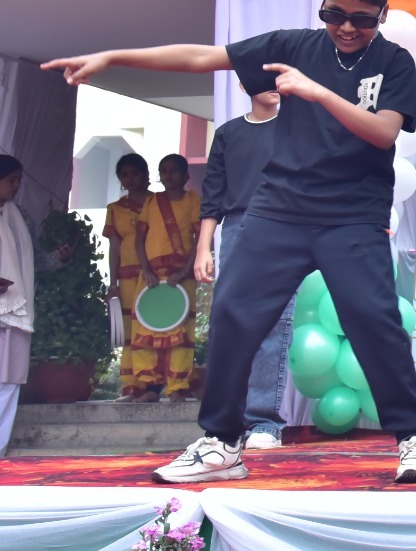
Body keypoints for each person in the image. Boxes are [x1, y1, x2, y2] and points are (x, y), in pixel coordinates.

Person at [44, 0, 416, 484]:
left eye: (362, 19)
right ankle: (221, 442)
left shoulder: (394, 64)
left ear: (382, 15)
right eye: (335, 14)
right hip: (280, 209)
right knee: (232, 313)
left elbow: (385, 133)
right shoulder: (295, 45)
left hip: (351, 214)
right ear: (322, 6)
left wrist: (317, 93)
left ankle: (413, 439)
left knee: (374, 321)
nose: (346, 27)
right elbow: (203, 57)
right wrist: (114, 57)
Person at [196, 86, 293, 448]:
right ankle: (226, 424)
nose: (272, 84)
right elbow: (213, 194)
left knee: (275, 323)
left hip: (285, 226)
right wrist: (203, 248)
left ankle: (264, 423)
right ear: (243, 84)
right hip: (236, 228)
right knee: (231, 325)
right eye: (262, 76)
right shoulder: (228, 133)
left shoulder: (297, 127)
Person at [129, 154, 201, 401]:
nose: (168, 175)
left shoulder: (193, 201)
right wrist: (146, 270)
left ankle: (177, 386)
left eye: (174, 170)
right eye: (164, 170)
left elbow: (201, 240)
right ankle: (150, 387)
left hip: (181, 277)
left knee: (180, 332)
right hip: (149, 278)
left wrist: (183, 272)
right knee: (147, 329)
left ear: (185, 176)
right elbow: (139, 240)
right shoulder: (152, 202)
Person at [103, 153, 150, 400]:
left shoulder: (159, 203)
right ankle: (133, 385)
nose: (130, 179)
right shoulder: (115, 209)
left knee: (155, 326)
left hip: (156, 275)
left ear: (146, 174)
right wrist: (113, 284)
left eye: (135, 173)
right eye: (125, 175)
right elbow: (114, 248)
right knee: (132, 330)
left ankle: (158, 383)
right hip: (128, 276)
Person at [0, 156, 35, 453]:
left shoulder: (12, 213)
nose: (16, 186)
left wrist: (57, 259)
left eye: (19, 180)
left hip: (16, 309)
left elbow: (25, 259)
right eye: (11, 180)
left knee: (10, 382)